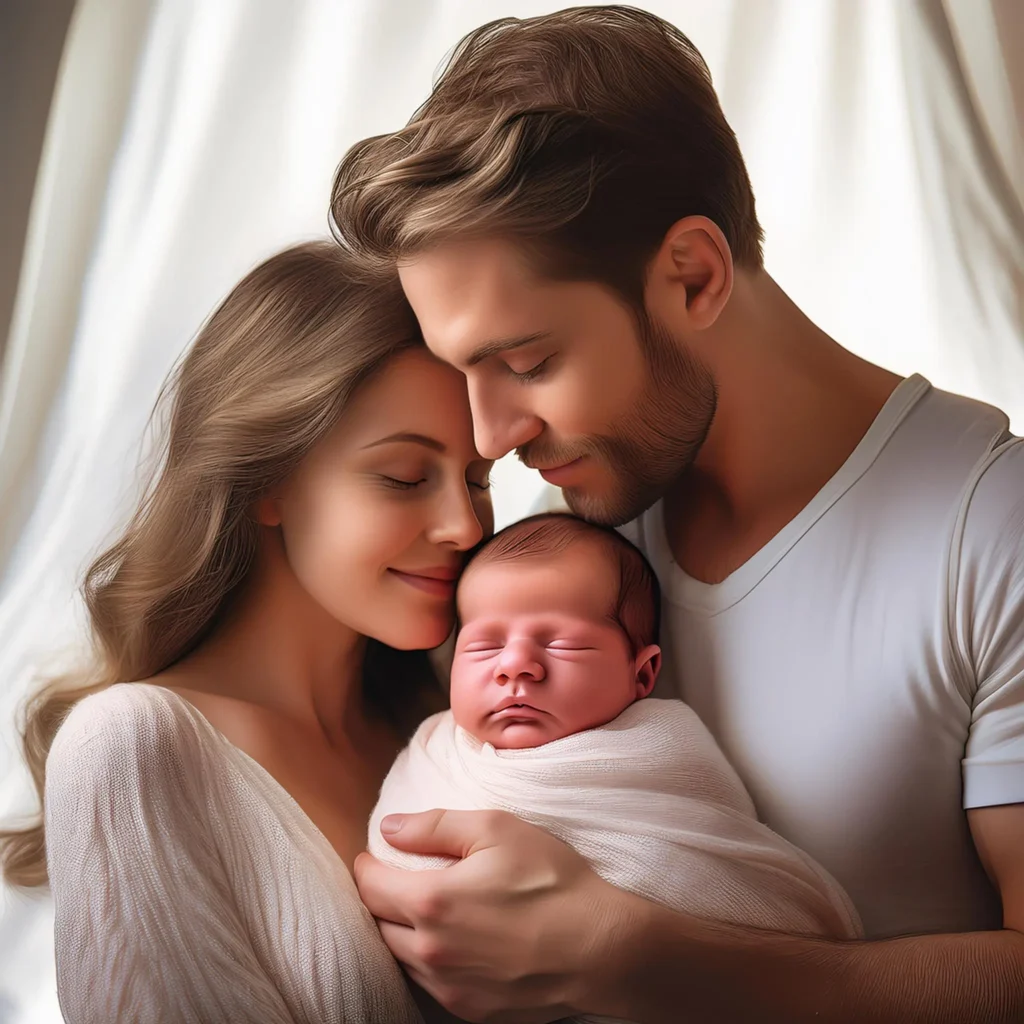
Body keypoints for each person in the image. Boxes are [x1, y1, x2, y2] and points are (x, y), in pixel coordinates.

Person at [330, 7, 1024, 1023]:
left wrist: (645, 959)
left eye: (526, 362)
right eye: (464, 372)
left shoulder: (989, 532)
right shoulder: (562, 538)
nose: (488, 437)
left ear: (692, 275)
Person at [0, 241, 494, 1023]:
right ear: (265, 480)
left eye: (478, 478)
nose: (465, 525)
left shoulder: (448, 734)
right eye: (404, 476)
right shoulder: (130, 750)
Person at [369, 513, 862, 970]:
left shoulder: (659, 749)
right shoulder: (437, 748)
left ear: (642, 674)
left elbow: (711, 874)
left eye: (562, 643)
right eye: (485, 645)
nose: (514, 665)